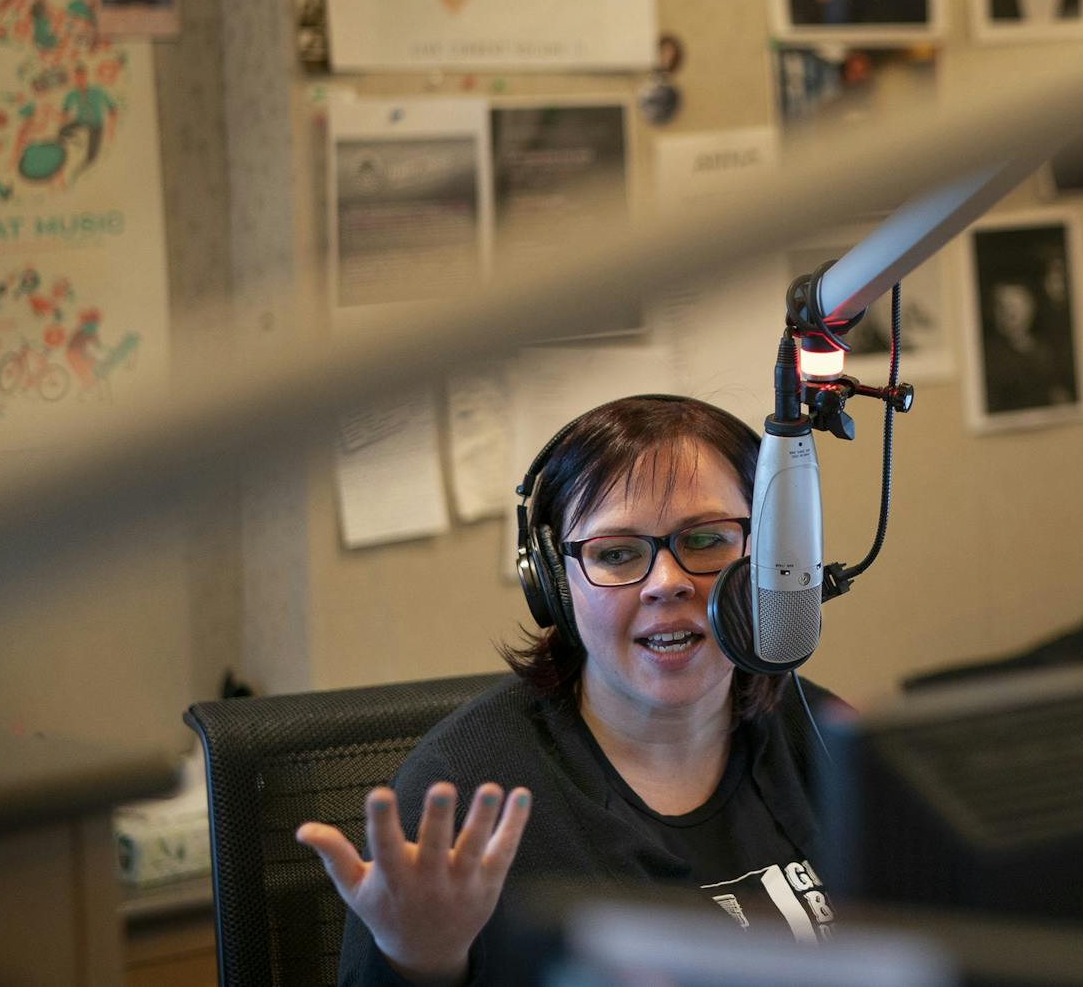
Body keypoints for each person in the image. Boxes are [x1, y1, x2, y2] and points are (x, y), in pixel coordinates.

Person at [298, 395, 839, 985]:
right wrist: (420, 963)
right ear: (554, 584)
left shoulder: (825, 734)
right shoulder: (463, 794)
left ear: (771, 555)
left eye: (707, 541)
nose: (666, 583)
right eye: (615, 554)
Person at [980, 277, 1069, 413]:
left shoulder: (1046, 347)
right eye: (1002, 307)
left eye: (1016, 306)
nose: (1010, 314)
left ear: (1031, 308)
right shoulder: (989, 355)